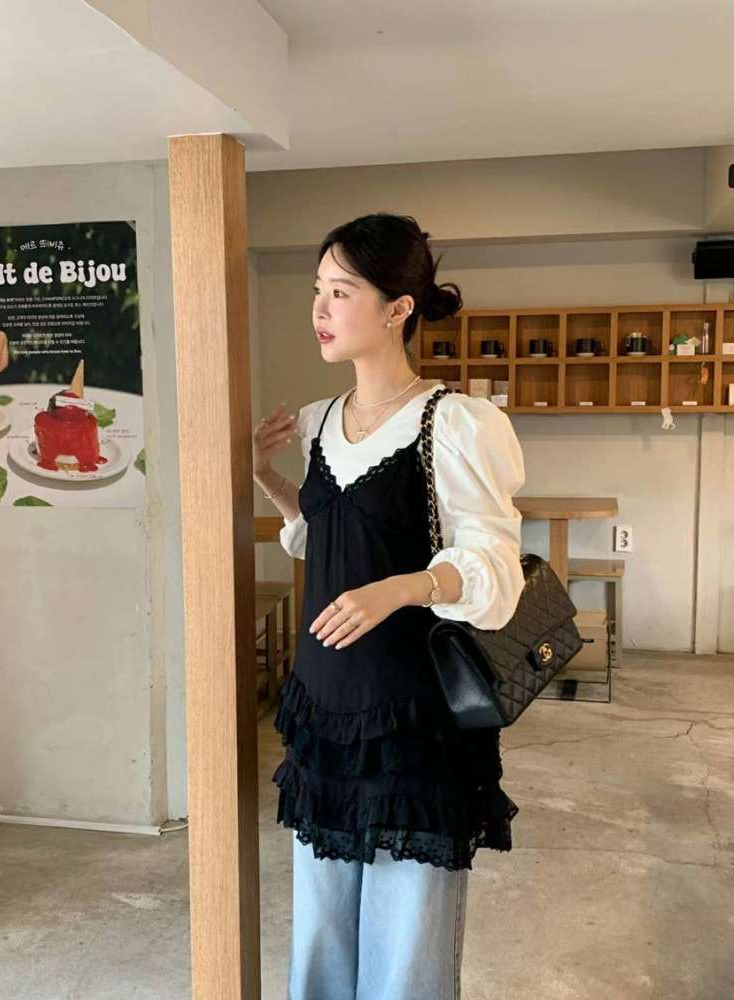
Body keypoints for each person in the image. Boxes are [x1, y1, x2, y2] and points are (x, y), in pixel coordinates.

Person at [252, 213, 526, 1000]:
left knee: (406, 947)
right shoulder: (318, 420)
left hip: (411, 716)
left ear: (398, 308)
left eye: (342, 292)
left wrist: (403, 587)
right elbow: (324, 537)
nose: (320, 309)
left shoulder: (456, 423)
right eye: (318, 289)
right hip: (324, 709)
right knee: (321, 931)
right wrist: (265, 474)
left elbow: (494, 570)